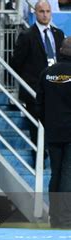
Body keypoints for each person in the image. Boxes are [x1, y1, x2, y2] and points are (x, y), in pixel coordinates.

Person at [10, 0, 65, 163]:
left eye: (48, 11)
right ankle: (39, 157)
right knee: (36, 124)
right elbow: (16, 62)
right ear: (35, 13)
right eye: (42, 11)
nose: (45, 14)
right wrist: (29, 82)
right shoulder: (27, 36)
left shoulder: (58, 34)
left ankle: (53, 155)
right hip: (34, 89)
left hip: (55, 88)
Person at [35, 37, 71, 229]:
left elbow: (38, 104)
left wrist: (48, 124)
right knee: (68, 175)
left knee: (55, 174)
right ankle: (65, 220)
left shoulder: (46, 73)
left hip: (53, 132)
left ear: (59, 51)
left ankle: (55, 218)